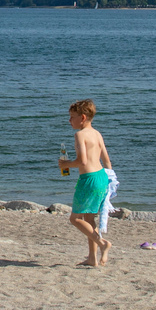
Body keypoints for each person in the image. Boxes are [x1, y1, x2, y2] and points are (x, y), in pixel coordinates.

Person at [55, 99, 114, 267]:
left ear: (82, 117)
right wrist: (111, 182)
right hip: (102, 177)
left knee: (75, 219)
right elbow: (107, 161)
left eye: (72, 117)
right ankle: (92, 258)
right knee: (89, 218)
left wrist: (66, 164)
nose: (69, 121)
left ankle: (103, 244)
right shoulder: (97, 134)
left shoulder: (80, 135)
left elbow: (82, 161)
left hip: (88, 180)